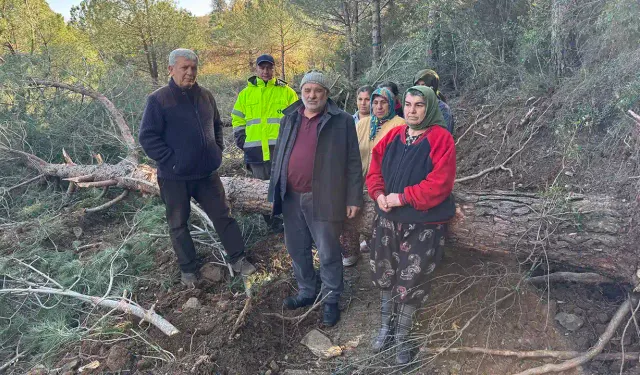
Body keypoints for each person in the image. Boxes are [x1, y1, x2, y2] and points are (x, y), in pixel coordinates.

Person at [139, 48, 256, 287]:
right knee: (178, 224)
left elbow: (216, 126)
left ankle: (238, 258)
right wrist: (173, 160)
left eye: (193, 68)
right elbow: (148, 137)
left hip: (206, 174)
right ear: (171, 69)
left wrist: (217, 152)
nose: (190, 72)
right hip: (174, 177)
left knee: (223, 216)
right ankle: (188, 270)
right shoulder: (159, 100)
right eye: (184, 67)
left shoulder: (206, 96)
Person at [366, 86, 456, 364]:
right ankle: (385, 328)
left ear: (428, 108)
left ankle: (402, 339)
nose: (412, 110)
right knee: (384, 273)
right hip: (388, 221)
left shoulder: (441, 139)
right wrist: (379, 194)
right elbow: (375, 168)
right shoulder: (394, 134)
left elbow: (439, 184)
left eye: (418, 105)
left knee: (411, 279)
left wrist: (403, 197)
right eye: (407, 104)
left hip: (422, 224)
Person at [268, 71, 363, 327]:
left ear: (326, 94)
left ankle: (331, 299)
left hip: (324, 196)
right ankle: (307, 291)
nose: (312, 95)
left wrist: (354, 197)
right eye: (308, 90)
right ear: (301, 92)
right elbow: (280, 156)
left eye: (318, 91)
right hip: (291, 196)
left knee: (328, 250)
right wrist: (274, 188)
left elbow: (354, 161)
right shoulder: (289, 117)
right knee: (297, 249)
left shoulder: (341, 120)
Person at [232, 54, 298, 233]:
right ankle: (273, 225)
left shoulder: (286, 91)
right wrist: (242, 141)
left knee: (287, 186)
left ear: (273, 69)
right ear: (256, 69)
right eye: (262, 68)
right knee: (262, 190)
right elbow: (237, 119)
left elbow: (297, 119)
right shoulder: (246, 94)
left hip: (282, 150)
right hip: (255, 152)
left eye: (269, 68)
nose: (266, 71)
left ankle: (292, 220)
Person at [340, 87, 405, 267]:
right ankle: (350, 251)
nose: (378, 106)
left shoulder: (400, 125)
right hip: (359, 179)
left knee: (378, 217)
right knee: (350, 213)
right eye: (375, 102)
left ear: (391, 104)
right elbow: (350, 151)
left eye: (383, 102)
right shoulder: (363, 123)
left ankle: (380, 252)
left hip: (384, 182)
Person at [413, 69, 454, 134]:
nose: (420, 88)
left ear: (432, 86)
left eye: (423, 85)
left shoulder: (442, 109)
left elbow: (445, 137)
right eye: (418, 85)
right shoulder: (412, 107)